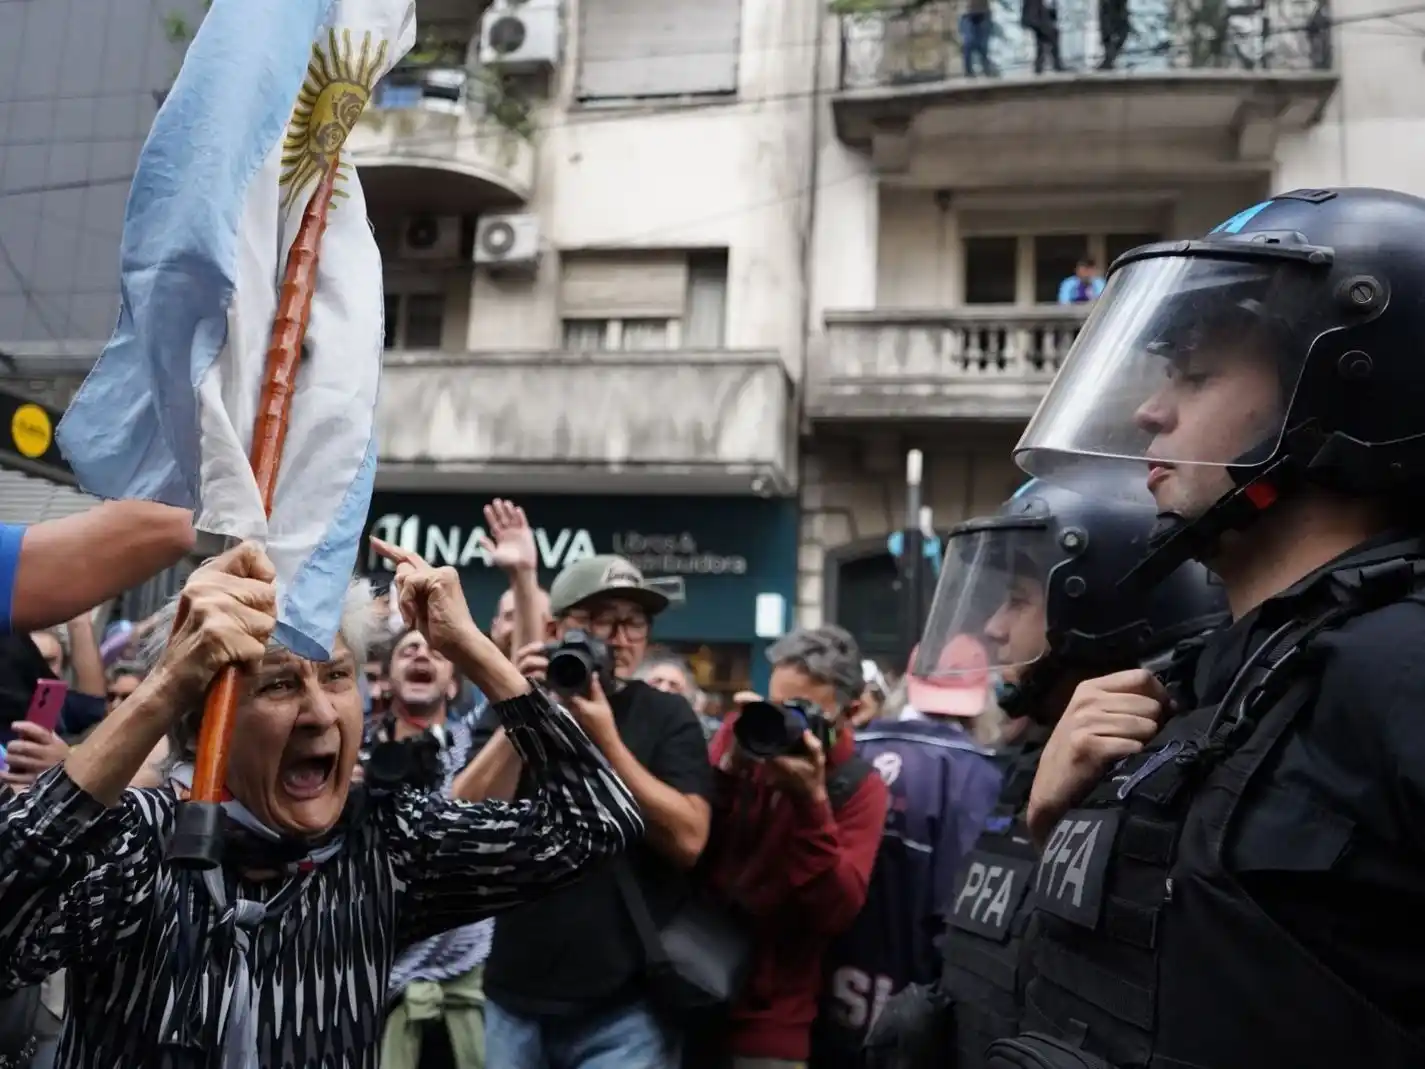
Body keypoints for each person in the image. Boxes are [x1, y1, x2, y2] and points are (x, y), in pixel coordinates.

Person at [996, 188, 1425, 1069]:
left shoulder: (1402, 666)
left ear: (1345, 388)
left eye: (1192, 375)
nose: (1150, 412)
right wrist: (1066, 833)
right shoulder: (1206, 675)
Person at [0, 538, 643, 1068]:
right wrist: (168, 685)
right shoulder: (141, 845)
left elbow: (597, 823)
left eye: (337, 676)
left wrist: (473, 648)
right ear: (206, 726)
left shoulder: (388, 845)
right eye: (279, 683)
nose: (318, 714)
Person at [854, 472, 1225, 1069]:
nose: (995, 626)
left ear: (1100, 612)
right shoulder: (1027, 763)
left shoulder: (1185, 777)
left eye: (1020, 600)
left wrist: (1060, 828)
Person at [460, 553, 713, 1068]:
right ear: (557, 627)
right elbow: (465, 823)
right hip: (513, 997)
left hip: (624, 1008)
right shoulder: (512, 702)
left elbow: (689, 840)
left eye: (633, 622)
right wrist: (525, 707)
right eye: (599, 619)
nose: (618, 638)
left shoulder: (667, 714)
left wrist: (606, 741)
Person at [704, 625, 890, 1068]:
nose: (783, 724)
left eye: (802, 712)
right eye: (776, 707)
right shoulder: (742, 734)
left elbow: (837, 909)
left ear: (853, 710)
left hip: (775, 1014)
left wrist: (812, 802)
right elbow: (692, 843)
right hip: (687, 979)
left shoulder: (859, 788)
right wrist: (728, 769)